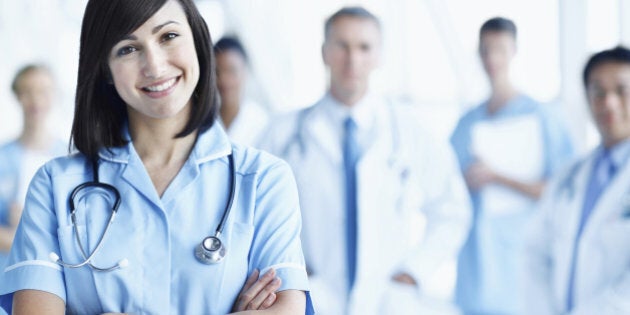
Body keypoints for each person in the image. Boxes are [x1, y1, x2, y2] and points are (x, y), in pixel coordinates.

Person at [0, 0, 312, 314]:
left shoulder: (264, 180)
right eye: (127, 49)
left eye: (168, 37)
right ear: (105, 68)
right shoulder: (55, 185)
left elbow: (286, 308)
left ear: (197, 40)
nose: (155, 66)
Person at [260, 6, 471, 315]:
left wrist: (414, 271)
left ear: (379, 56)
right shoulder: (283, 134)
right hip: (313, 295)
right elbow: (256, 216)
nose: (352, 60)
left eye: (364, 47)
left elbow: (452, 209)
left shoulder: (410, 131)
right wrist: (291, 272)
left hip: (387, 300)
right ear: (324, 52)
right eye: (342, 46)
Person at [450, 17, 575, 315]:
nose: (492, 58)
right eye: (485, 50)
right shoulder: (467, 123)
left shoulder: (543, 117)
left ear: (514, 51)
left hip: (522, 256)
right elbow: (445, 188)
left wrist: (497, 177)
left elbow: (564, 191)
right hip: (476, 262)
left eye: (499, 49)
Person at [522, 45, 630, 315]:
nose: (609, 102)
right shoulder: (568, 176)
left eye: (622, 90)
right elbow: (535, 251)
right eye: (598, 92)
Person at [0, 64, 66, 274]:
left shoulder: (70, 159)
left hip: (54, 277)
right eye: (27, 92)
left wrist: (26, 235)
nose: (36, 100)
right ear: (17, 96)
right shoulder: (3, 158)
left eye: (43, 91)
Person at [214, 36, 269, 147]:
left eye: (231, 71)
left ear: (245, 71)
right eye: (217, 72)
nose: (224, 80)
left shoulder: (261, 122)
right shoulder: (204, 121)